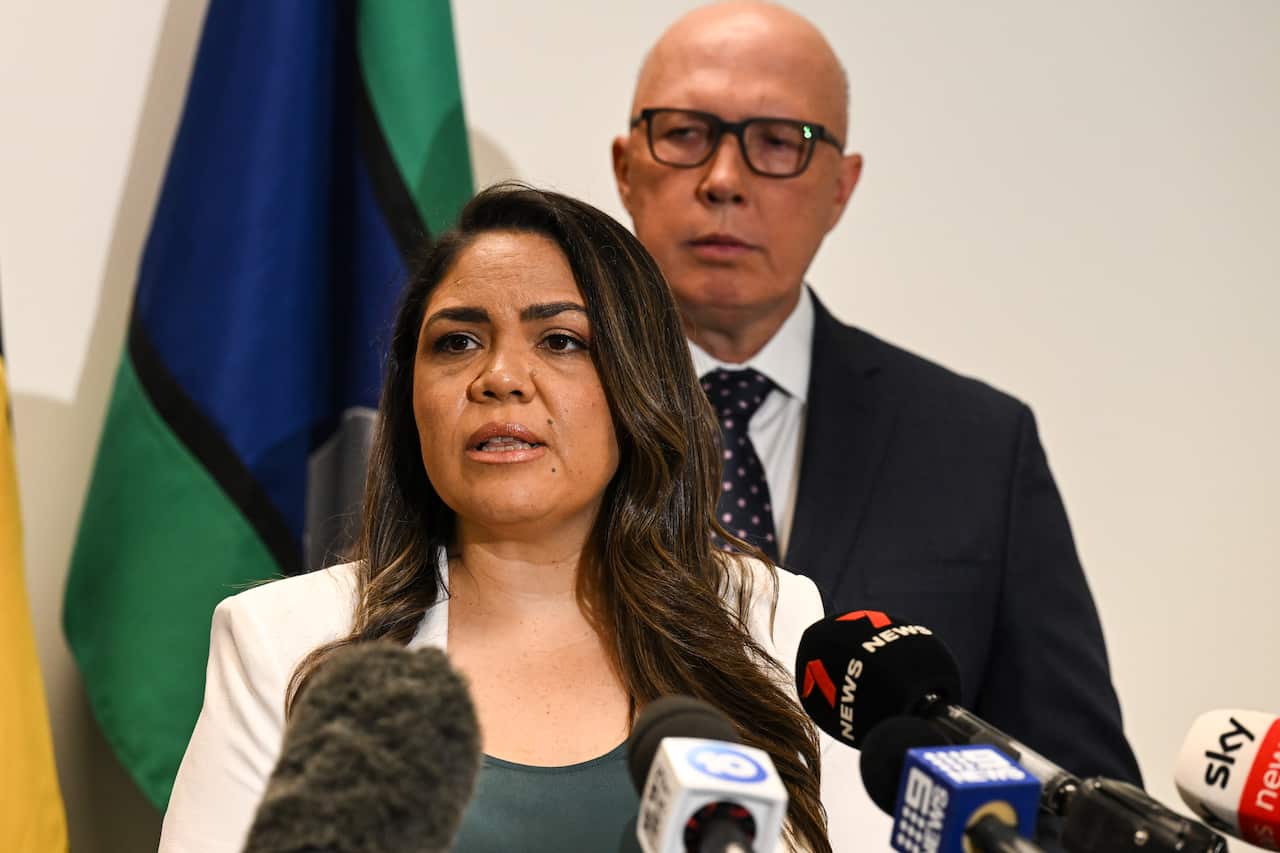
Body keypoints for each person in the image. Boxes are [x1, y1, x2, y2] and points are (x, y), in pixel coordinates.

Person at [157, 185, 883, 852]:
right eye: (457, 342)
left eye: (561, 340)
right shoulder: (281, 642)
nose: (499, 376)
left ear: (640, 386)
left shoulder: (775, 625)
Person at [611, 1, 1142, 786]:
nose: (723, 181)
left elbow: (1075, 789)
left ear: (841, 188)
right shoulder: (538, 423)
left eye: (777, 142)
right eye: (686, 134)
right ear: (626, 168)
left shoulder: (976, 445)